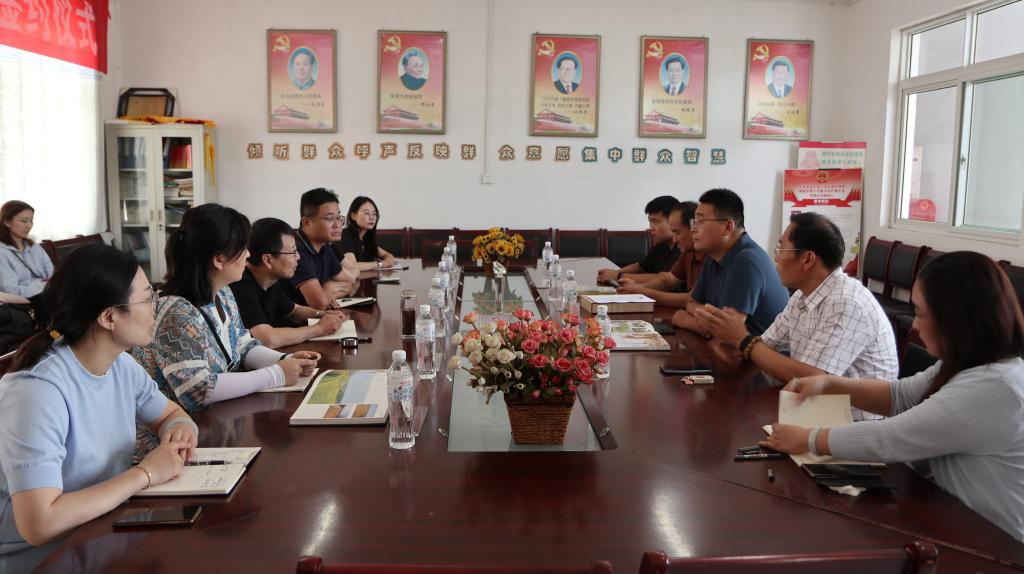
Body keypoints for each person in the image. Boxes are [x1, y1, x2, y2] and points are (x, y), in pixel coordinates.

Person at [762, 251, 1024, 542]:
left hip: (995, 543)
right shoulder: (967, 363)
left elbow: (892, 437)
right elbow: (899, 396)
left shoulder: (996, 387)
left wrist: (808, 440)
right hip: (949, 514)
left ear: (955, 319)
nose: (914, 325)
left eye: (920, 313)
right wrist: (827, 384)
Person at [0, 243, 198, 561]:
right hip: (41, 556)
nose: (156, 307)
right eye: (148, 298)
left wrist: (179, 429)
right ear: (109, 317)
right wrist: (145, 474)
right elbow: (39, 524)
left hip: (101, 530)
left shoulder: (120, 364)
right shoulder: (36, 392)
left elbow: (169, 414)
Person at [132, 204, 319, 454]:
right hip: (168, 449)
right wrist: (276, 374)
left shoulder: (224, 294)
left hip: (216, 430)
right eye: (242, 248)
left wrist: (284, 360)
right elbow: (198, 390)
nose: (248, 255)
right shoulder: (175, 312)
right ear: (219, 259)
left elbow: (244, 345)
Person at [696, 213, 898, 421]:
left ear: (807, 259)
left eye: (781, 248)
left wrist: (744, 340)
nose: (776, 256)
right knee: (729, 414)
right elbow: (765, 346)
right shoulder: (801, 296)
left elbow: (813, 380)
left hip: (854, 425)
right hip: (816, 411)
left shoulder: (847, 303)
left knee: (735, 421)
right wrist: (727, 336)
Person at [674, 189, 788, 336]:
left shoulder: (746, 262)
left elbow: (726, 333)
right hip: (729, 347)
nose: (693, 229)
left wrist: (683, 319)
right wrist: (711, 320)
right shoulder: (714, 255)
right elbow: (692, 302)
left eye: (700, 221)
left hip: (761, 349)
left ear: (728, 227)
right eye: (693, 222)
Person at [230, 218, 346, 349]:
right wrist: (319, 329)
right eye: (293, 252)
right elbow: (267, 339)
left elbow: (294, 311)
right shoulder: (241, 285)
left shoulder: (270, 279)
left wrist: (321, 315)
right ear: (268, 260)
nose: (298, 257)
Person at [283, 188, 360, 310]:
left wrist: (328, 287)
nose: (337, 225)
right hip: (290, 319)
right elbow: (320, 303)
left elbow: (351, 280)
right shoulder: (296, 252)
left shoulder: (325, 246)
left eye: (339, 217)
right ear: (307, 222)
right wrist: (327, 289)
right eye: (330, 218)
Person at [616, 202, 702, 308]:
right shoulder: (687, 252)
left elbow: (692, 300)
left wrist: (643, 291)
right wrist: (636, 287)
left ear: (694, 228)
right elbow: (667, 282)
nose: (675, 239)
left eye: (677, 233)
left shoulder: (710, 254)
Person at [596, 196, 679, 284]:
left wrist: (618, 276)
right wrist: (614, 273)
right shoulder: (661, 245)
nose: (651, 228)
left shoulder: (681, 247)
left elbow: (662, 279)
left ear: (672, 220)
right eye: (650, 222)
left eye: (655, 221)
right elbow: (640, 267)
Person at [0, 200, 54, 324]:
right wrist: (42, 286)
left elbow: (51, 273)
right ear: (7, 222)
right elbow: (10, 288)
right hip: (26, 299)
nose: (29, 226)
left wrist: (49, 284)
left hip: (46, 291)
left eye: (31, 221)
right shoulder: (2, 252)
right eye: (24, 221)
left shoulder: (34, 247)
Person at [334, 196, 397, 272]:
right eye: (367, 213)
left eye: (374, 214)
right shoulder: (345, 235)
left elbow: (389, 255)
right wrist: (380, 264)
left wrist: (387, 261)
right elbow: (351, 266)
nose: (372, 217)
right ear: (354, 216)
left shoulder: (366, 238)